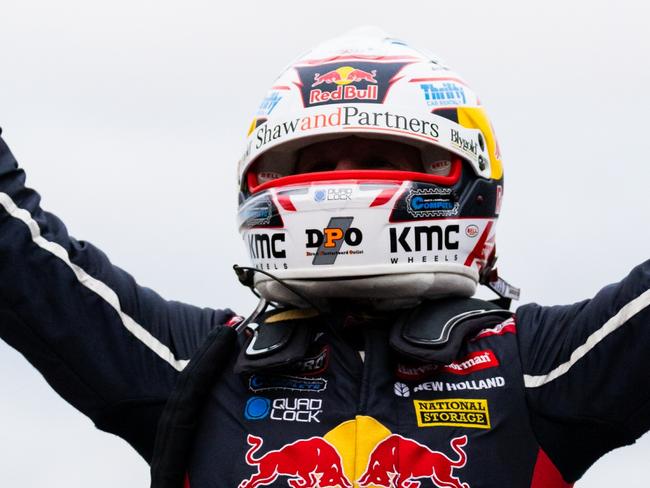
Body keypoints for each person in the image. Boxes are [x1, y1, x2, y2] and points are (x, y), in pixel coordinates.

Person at [1, 28, 650, 488]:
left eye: (374, 153)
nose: (341, 181)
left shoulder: (535, 367)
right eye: (315, 162)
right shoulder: (201, 369)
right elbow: (20, 258)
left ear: (458, 172)